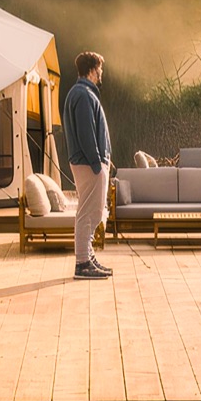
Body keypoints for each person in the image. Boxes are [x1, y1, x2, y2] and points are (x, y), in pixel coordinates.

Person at [62, 50, 113, 280]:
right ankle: (82, 262)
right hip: (89, 163)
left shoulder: (82, 93)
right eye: (100, 69)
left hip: (89, 162)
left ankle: (87, 256)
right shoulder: (83, 95)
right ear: (92, 70)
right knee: (88, 212)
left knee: (93, 210)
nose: (101, 73)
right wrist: (96, 162)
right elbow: (86, 133)